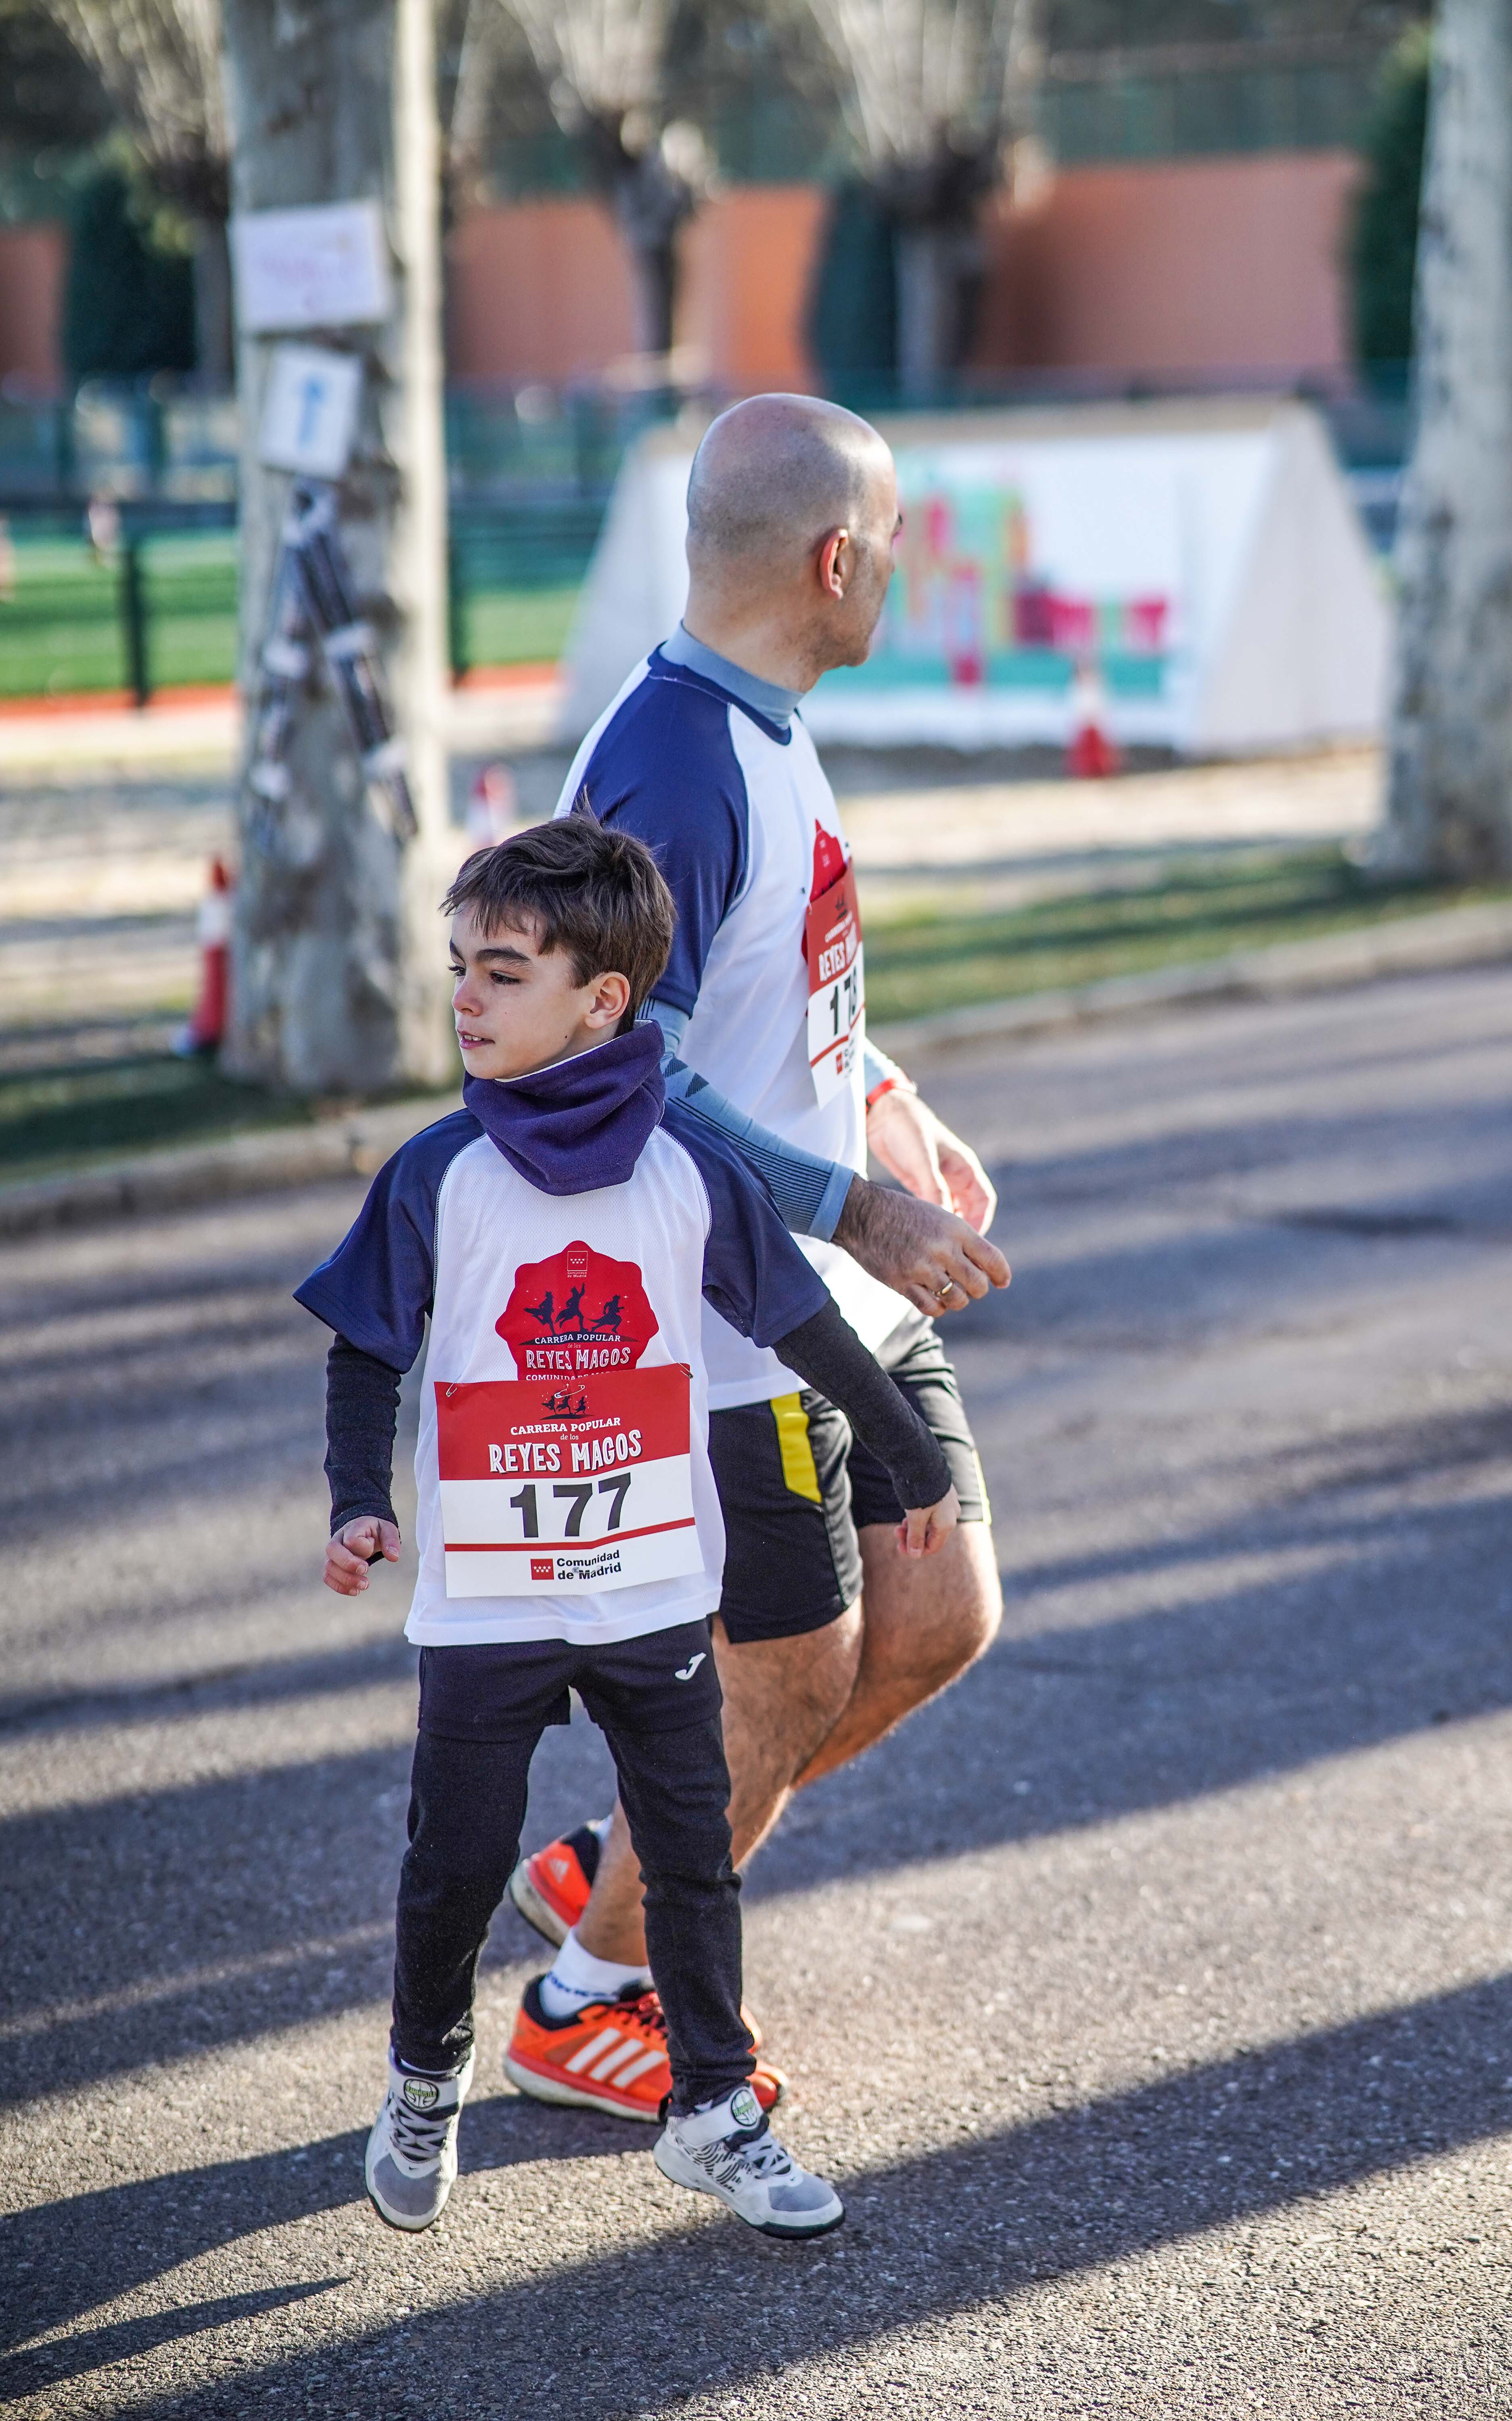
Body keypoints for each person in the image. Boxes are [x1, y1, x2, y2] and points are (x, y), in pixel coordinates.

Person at [296, 816, 960, 2237]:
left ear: (606, 1000)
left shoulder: (690, 1171)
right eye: (459, 969)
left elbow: (804, 1330)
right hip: (488, 1602)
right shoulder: (435, 1174)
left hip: (652, 1585)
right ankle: (426, 2076)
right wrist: (361, 1498)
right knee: (456, 1865)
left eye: (504, 973)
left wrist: (908, 1468)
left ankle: (711, 2112)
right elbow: (368, 1350)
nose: (466, 999)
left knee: (687, 1850)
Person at [505, 393, 1009, 2108]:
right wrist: (858, 1204)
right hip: (742, 1327)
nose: (900, 567)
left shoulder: (767, 717)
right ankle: (587, 2002)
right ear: (833, 556)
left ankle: (627, 1862)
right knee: (784, 1684)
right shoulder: (671, 765)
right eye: (893, 538)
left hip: (839, 1281)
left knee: (939, 1616)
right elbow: (598, 1068)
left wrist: (890, 1096)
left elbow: (764, 992)